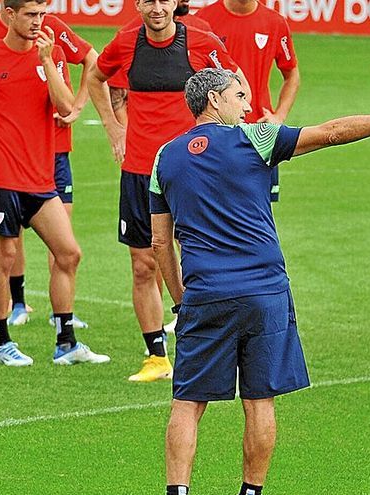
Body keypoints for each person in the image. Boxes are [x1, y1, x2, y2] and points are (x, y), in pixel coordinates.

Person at [151, 68, 370, 495]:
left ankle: (177, 492)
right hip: (264, 293)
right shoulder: (257, 138)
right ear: (214, 100)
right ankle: (251, 492)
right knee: (260, 400)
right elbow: (331, 132)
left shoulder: (165, 158)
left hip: (205, 295)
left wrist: (182, 300)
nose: (247, 105)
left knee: (188, 403)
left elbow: (160, 241)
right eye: (240, 95)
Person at [0, 0, 109, 366]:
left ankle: (66, 343)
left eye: (42, 15)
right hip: (0, 176)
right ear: (9, 16)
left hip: (40, 177)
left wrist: (46, 62)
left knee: (69, 253)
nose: (38, 22)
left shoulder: (52, 52)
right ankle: (2, 343)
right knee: (5, 257)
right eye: (30, 15)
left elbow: (62, 108)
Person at [85, 0, 242, 383]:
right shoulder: (124, 42)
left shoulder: (202, 40)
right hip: (139, 169)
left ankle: (213, 342)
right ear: (138, 4)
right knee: (143, 264)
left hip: (191, 170)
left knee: (202, 257)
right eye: (148, 0)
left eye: (163, 0)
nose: (156, 8)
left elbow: (238, 86)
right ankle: (156, 356)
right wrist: (112, 126)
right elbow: (95, 77)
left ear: (176, 4)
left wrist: (224, 135)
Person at [195, 0, 301, 202]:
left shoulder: (275, 23)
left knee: (258, 211)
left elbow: (292, 74)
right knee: (212, 207)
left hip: (259, 133)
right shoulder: (204, 20)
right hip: (217, 132)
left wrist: (279, 115)